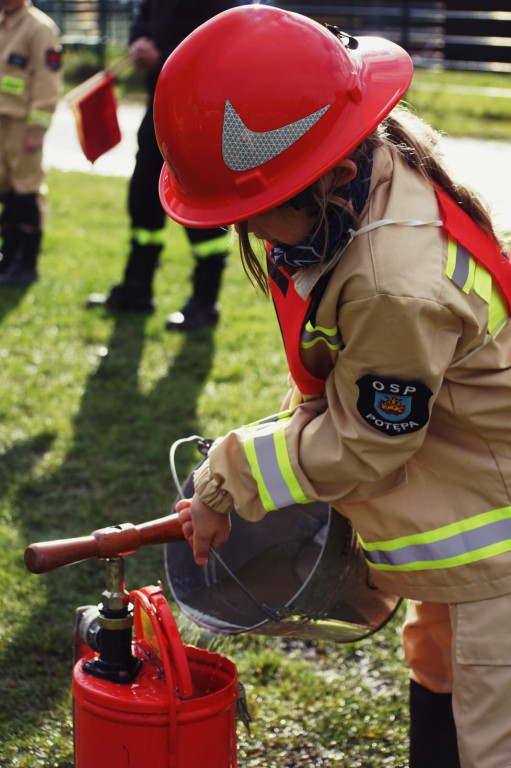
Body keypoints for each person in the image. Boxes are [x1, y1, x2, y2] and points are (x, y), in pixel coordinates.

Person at [154, 5, 511, 768]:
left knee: (492, 743)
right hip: (472, 523)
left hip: (500, 568)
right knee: (437, 677)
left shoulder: (393, 283)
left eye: (252, 214)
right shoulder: (378, 174)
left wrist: (226, 477)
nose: (245, 235)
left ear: (333, 179)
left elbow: (367, 440)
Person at [86, 0, 234, 330]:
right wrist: (138, 42)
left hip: (200, 112)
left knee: (200, 210)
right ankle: (136, 289)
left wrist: (163, 54)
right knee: (142, 200)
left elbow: (220, 42)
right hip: (158, 107)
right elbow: (144, 18)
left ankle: (204, 302)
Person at [0, 0, 61, 286]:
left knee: (26, 190)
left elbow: (47, 83)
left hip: (22, 125)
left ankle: (26, 264)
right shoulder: (3, 23)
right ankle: (8, 257)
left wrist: (36, 128)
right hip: (2, 122)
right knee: (6, 190)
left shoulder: (39, 28)